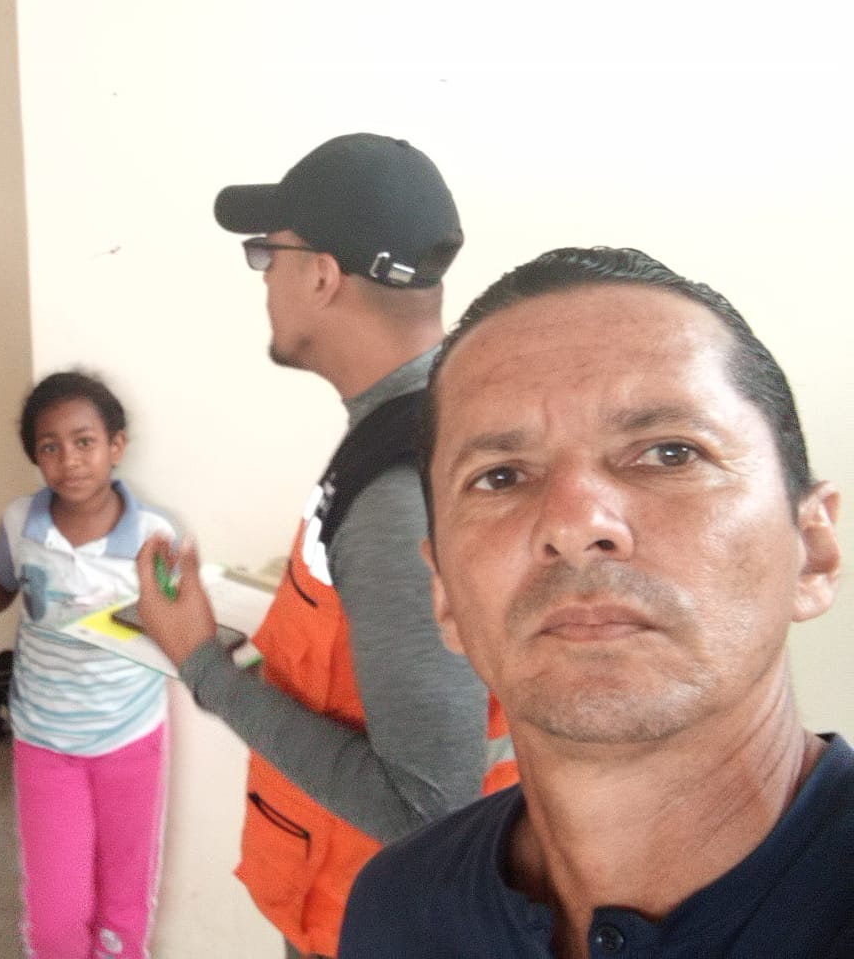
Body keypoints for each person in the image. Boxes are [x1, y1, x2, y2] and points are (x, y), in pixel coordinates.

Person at [339, 246, 850, 958]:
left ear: (813, 550)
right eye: (501, 476)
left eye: (671, 453)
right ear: (444, 593)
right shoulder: (397, 909)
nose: (575, 523)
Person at [135, 133, 515, 959]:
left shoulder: (400, 489)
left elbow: (428, 809)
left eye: (267, 254)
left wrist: (200, 661)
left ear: (321, 275)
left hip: (378, 924)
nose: (263, 278)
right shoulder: (428, 422)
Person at [0, 371, 175, 959]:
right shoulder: (23, 521)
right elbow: (0, 583)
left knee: (123, 906)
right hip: (44, 739)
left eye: (84, 441)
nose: (69, 460)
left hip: (130, 737)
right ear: (36, 457)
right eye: (50, 446)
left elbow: (173, 623)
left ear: (116, 445)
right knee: (55, 920)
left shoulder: (152, 534)